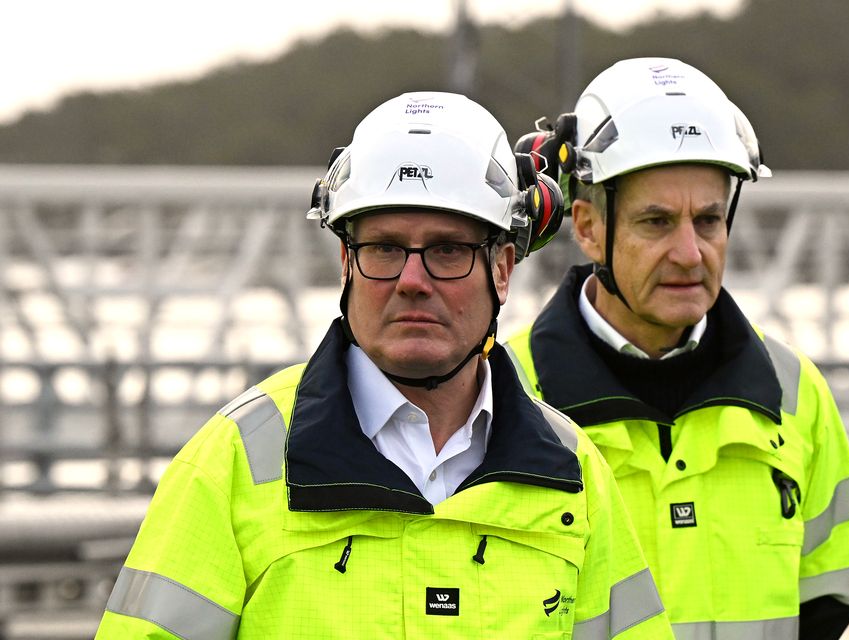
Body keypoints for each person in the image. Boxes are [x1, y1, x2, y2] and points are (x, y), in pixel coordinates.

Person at [95, 91, 674, 639]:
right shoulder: (234, 463)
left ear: (502, 268)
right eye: (385, 248)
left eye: (448, 250)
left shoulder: (573, 475)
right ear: (347, 264)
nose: (412, 281)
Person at [506, 58, 849, 639]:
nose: (691, 253)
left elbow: (827, 601)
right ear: (589, 226)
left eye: (709, 220)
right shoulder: (508, 399)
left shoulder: (797, 396)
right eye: (657, 221)